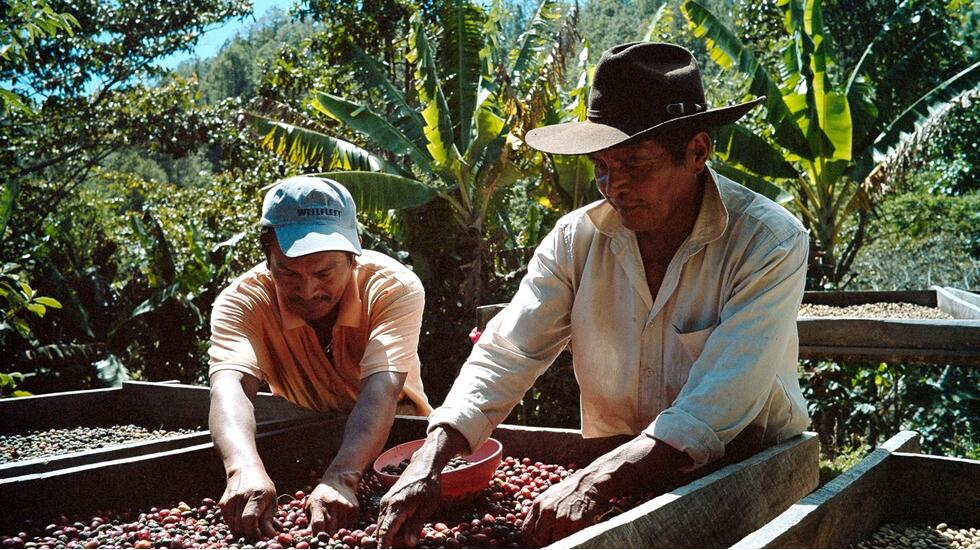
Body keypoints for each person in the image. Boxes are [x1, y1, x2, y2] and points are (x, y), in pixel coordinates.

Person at [374, 42, 810, 547]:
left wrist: (591, 480)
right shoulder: (575, 239)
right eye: (601, 166)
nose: (613, 185)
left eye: (634, 165)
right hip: (619, 465)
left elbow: (718, 400)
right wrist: (431, 458)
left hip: (746, 468)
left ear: (696, 152)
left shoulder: (768, 240)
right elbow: (509, 352)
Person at [207, 175, 431, 539]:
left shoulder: (393, 288)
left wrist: (342, 477)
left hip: (396, 443)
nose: (308, 290)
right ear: (268, 261)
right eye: (288, 274)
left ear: (354, 256)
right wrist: (243, 470)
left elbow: (382, 387)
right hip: (309, 441)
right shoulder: (241, 302)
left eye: (324, 273)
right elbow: (229, 386)